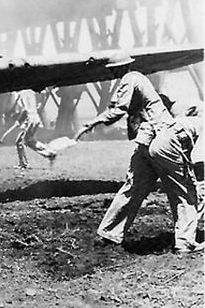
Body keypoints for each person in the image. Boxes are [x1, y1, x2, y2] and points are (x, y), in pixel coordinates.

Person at [75, 54, 203, 254]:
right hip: (161, 136)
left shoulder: (130, 78)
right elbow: (118, 111)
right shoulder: (134, 79)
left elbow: (118, 111)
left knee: (133, 187)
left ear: (123, 67)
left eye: (114, 68)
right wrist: (91, 123)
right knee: (183, 191)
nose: (112, 72)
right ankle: (185, 242)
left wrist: (91, 123)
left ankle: (110, 233)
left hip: (148, 138)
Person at [0, 89, 56, 169]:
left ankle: (24, 164)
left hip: (31, 120)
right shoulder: (30, 92)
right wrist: (20, 120)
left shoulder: (22, 94)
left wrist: (19, 120)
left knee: (20, 142)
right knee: (29, 141)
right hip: (34, 119)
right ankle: (50, 153)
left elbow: (25, 110)